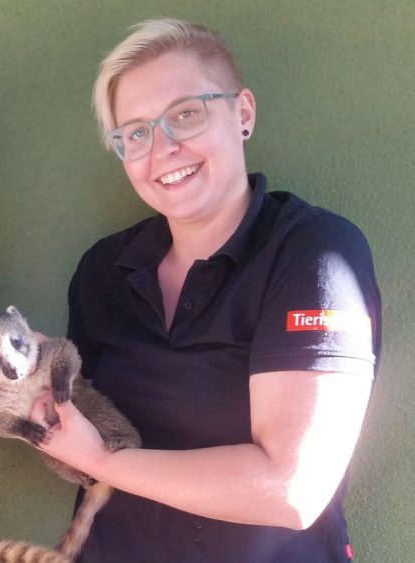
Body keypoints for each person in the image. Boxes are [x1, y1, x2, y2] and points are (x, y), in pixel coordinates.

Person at [31, 18, 381, 563]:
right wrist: (33, 396)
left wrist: (104, 460)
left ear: (242, 113)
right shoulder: (103, 271)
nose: (162, 147)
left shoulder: (314, 253)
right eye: (137, 133)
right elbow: (80, 439)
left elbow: (293, 490)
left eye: (185, 115)